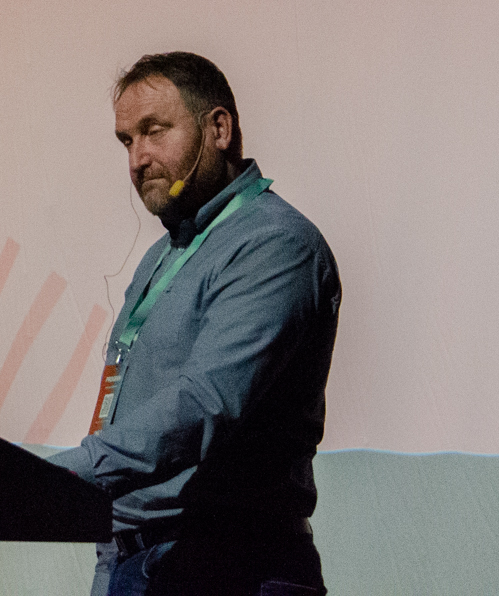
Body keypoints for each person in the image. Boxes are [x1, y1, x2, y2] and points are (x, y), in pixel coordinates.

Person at [53, 53, 340, 596]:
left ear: (219, 129)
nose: (138, 158)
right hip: (136, 559)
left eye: (154, 131)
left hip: (232, 565)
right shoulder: (164, 254)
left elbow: (205, 401)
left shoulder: (274, 244)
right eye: (126, 141)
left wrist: (67, 475)